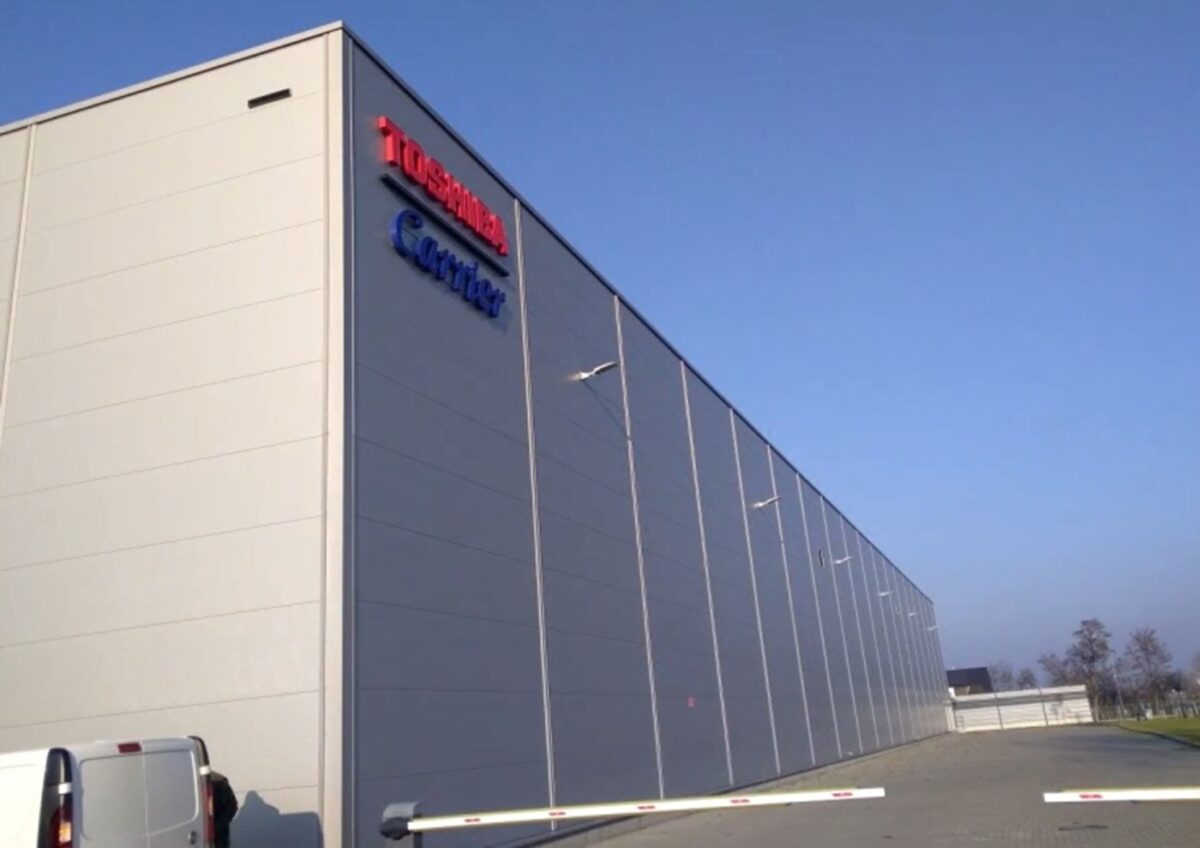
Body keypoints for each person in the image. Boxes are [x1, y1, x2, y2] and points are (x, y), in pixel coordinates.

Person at [210, 771, 238, 848]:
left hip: (218, 839)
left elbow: (232, 807)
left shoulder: (218, 781)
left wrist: (216, 827)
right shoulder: (187, 780)